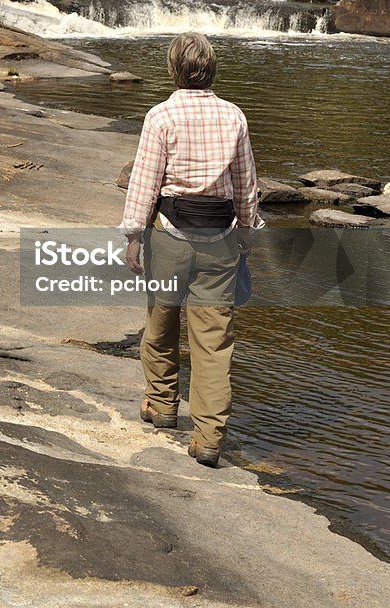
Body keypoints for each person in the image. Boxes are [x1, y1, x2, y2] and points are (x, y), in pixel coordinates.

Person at [120, 32, 263, 468]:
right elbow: (246, 183)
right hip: (219, 240)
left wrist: (132, 237)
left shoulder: (161, 116)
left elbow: (145, 181)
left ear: (173, 69)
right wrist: (247, 232)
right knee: (214, 344)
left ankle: (162, 407)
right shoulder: (234, 116)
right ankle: (207, 439)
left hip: (170, 237)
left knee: (160, 323)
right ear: (212, 69)